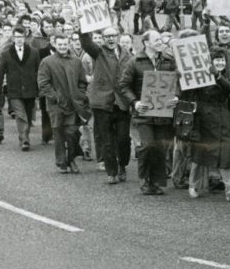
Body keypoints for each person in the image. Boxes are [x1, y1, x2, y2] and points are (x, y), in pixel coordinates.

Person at [116, 30, 178, 195]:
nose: (160, 42)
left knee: (159, 149)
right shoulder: (135, 61)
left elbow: (177, 81)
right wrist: (135, 102)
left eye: (161, 40)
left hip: (163, 113)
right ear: (146, 42)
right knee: (147, 146)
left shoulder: (169, 60)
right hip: (143, 114)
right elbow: (124, 85)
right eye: (156, 40)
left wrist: (176, 97)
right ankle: (144, 180)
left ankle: (156, 183)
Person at [185, 46, 230, 201]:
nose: (219, 62)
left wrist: (218, 76)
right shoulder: (199, 76)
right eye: (216, 60)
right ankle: (194, 185)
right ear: (210, 61)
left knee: (227, 153)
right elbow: (189, 92)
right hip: (203, 117)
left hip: (224, 116)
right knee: (200, 153)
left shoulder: (228, 76)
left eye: (222, 60)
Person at [80, 26, 132, 184]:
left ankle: (122, 164)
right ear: (103, 38)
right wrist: (82, 26)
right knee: (107, 140)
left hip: (122, 103)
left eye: (113, 36)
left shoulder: (127, 54)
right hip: (102, 103)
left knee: (123, 139)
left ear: (118, 37)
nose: (111, 39)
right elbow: (86, 43)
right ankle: (112, 172)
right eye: (107, 36)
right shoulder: (98, 52)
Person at [37, 33, 90, 174]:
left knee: (72, 132)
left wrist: (80, 94)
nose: (62, 47)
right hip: (56, 106)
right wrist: (56, 97)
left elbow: (82, 81)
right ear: (54, 44)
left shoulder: (76, 61)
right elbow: (43, 83)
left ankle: (71, 158)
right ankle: (61, 163)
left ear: (69, 44)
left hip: (73, 105)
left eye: (65, 44)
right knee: (59, 134)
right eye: (59, 44)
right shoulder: (47, 62)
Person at [0, 26, 41, 151]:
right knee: (20, 115)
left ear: (25, 37)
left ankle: (23, 137)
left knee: (27, 114)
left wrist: (40, 89)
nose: (19, 39)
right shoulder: (6, 54)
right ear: (13, 38)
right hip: (14, 90)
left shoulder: (34, 52)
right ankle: (25, 140)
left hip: (30, 90)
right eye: (16, 37)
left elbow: (39, 72)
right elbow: (0, 73)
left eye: (21, 37)